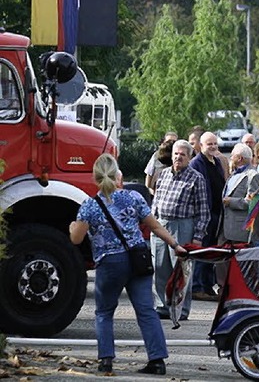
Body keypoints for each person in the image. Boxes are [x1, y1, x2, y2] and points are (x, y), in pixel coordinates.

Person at [69, 154, 186, 375]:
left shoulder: (89, 206)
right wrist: (175, 245)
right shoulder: (133, 197)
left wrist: (72, 227)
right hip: (137, 260)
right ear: (117, 176)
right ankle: (157, 360)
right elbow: (155, 227)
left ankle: (106, 360)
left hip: (110, 263)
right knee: (146, 311)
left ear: (95, 178)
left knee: (104, 312)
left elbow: (76, 239)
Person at [152, 139, 210, 319]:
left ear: (189, 157)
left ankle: (180, 310)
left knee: (181, 271)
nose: (178, 157)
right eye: (176, 154)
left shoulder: (196, 178)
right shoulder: (163, 175)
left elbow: (203, 211)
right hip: (162, 224)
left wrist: (198, 237)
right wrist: (154, 223)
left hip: (183, 227)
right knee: (159, 267)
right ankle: (162, 307)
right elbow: (156, 202)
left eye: (182, 155)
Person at [189, 132, 227, 301]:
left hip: (216, 213)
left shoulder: (217, 161)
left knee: (211, 252)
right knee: (202, 251)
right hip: (204, 214)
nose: (212, 146)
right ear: (201, 146)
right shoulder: (196, 163)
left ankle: (206, 285)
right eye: (209, 144)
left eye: (214, 144)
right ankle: (197, 287)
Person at [219, 143, 259, 245]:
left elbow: (254, 204)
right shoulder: (234, 173)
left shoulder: (253, 176)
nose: (230, 157)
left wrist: (230, 201)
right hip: (226, 228)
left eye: (232, 155)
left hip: (240, 232)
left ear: (239, 158)